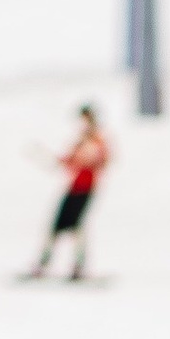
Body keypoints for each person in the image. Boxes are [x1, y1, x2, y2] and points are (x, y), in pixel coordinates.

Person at [26, 108, 110, 281]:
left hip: (85, 190)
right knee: (56, 226)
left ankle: (78, 266)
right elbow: (71, 160)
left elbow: (99, 161)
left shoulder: (96, 141)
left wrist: (79, 159)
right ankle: (43, 263)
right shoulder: (82, 141)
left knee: (76, 226)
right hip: (74, 188)